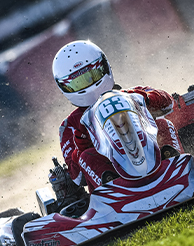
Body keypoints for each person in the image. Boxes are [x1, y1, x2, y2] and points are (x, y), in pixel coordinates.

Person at [52, 40, 184, 198]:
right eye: (79, 82)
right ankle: (111, 185)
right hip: (117, 183)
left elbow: (168, 103)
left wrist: (146, 99)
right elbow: (77, 177)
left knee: (163, 124)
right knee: (86, 156)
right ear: (66, 87)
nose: (89, 84)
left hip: (155, 158)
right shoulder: (70, 126)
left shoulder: (132, 94)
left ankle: (176, 163)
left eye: (92, 75)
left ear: (104, 67)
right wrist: (81, 144)